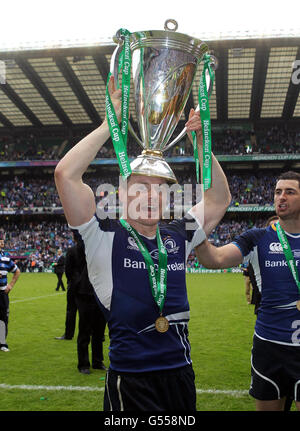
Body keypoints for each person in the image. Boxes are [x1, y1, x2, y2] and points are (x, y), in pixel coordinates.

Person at [54, 76, 231, 411]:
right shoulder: (101, 235)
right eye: (139, 186)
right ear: (121, 194)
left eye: (159, 188)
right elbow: (66, 175)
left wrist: (200, 143)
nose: (150, 195)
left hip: (181, 376)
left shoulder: (179, 234)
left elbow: (219, 199)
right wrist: (110, 123)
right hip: (130, 381)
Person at [195, 171, 300, 411]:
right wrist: (198, 234)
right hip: (269, 346)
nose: (281, 197)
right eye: (277, 192)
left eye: (290, 192)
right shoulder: (258, 238)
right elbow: (215, 259)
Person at [73, 239, 106, 374]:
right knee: (85, 330)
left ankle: (98, 362)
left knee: (99, 331)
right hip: (85, 293)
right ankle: (83, 364)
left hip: (101, 294)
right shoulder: (85, 245)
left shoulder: (106, 248)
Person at [0, 236, 21, 352]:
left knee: (3, 319)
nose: (2, 243)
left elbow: (17, 271)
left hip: (2, 293)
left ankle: (2, 343)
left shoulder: (6, 259)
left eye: (3, 242)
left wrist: (11, 285)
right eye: (0, 242)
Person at [55, 241, 78, 340]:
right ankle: (88, 332)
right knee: (86, 311)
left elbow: (68, 269)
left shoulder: (72, 250)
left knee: (71, 310)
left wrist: (70, 280)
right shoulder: (90, 249)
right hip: (87, 284)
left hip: (74, 284)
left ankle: (69, 334)